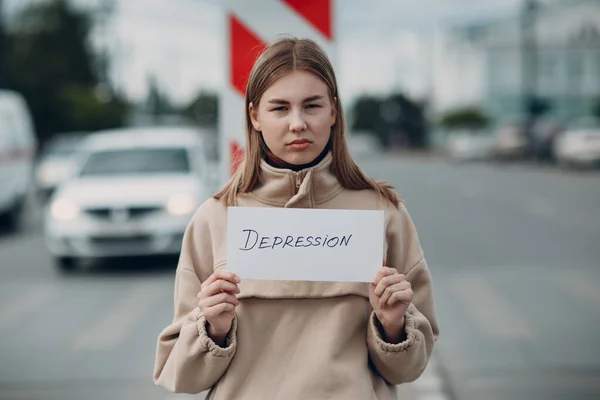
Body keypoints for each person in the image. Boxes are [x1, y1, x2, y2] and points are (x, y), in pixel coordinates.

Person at [153, 37, 439, 400]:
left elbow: (410, 368)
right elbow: (182, 376)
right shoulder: (215, 216)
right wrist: (213, 328)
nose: (298, 123)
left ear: (333, 111)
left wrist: (394, 325)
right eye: (280, 108)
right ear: (254, 116)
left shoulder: (383, 212)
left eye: (312, 106)